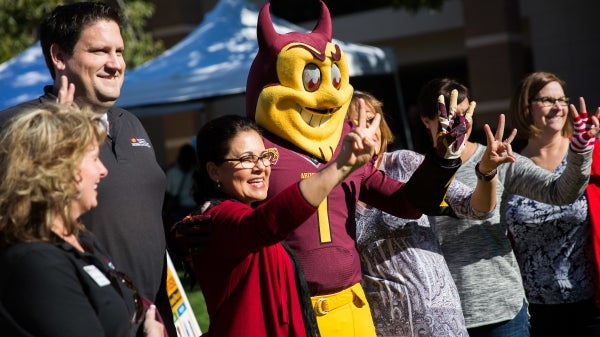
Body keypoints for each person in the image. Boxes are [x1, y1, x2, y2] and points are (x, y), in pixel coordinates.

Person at [245, 3, 468, 336]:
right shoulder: (257, 150)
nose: (329, 94)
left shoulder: (346, 147)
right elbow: (235, 208)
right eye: (311, 79)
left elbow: (405, 203)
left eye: (335, 78)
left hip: (354, 304)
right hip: (293, 309)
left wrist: (440, 158)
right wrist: (204, 218)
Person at [0, 3, 175, 335]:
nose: (115, 64)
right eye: (99, 51)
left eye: (119, 51)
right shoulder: (18, 130)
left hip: (153, 318)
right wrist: (56, 143)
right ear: (59, 56)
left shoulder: (131, 124)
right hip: (80, 317)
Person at [420, 78, 597, 337]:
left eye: (465, 114)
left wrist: (580, 151)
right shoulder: (413, 168)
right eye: (449, 116)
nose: (459, 124)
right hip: (445, 313)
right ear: (427, 120)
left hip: (502, 311)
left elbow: (561, 192)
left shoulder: (498, 158)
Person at [182, 109, 379, 336]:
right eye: (246, 159)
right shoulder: (219, 218)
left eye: (265, 156)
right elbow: (266, 223)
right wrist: (341, 166)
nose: (260, 167)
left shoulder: (244, 211)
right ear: (214, 171)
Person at [348, 91, 516, 337]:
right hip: (380, 323)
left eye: (371, 119)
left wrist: (487, 172)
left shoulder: (405, 163)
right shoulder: (337, 184)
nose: (365, 128)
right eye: (353, 123)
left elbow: (475, 208)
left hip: (438, 318)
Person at [0, 103, 164, 337]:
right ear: (58, 169)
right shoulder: (36, 262)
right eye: (94, 159)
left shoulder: (81, 239)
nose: (103, 170)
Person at [503, 71, 600, 336]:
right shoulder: (510, 167)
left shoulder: (592, 154)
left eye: (562, 99)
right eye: (548, 100)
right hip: (534, 312)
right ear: (526, 107)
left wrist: (587, 148)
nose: (559, 107)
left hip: (592, 306)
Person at [164, 143, 197, 224]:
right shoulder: (197, 172)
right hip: (195, 208)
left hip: (179, 210)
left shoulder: (172, 172)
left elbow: (168, 193)